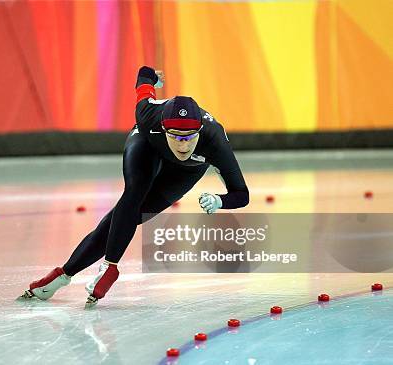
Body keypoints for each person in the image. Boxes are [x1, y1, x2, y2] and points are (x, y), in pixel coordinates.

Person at [19, 66, 249, 308]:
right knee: (133, 194)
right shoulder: (148, 114)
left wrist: (220, 200)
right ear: (163, 127)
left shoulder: (215, 142)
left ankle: (63, 276)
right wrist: (153, 77)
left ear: (200, 132)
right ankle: (109, 268)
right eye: (176, 136)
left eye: (190, 137)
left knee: (131, 216)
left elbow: (241, 194)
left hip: (187, 171)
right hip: (148, 145)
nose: (183, 145)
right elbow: (144, 76)